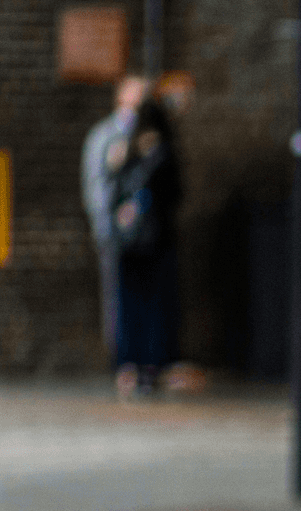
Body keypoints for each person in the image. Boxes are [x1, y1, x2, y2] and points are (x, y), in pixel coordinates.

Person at [107, 99, 182, 398]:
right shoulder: (148, 154)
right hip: (145, 242)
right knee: (144, 305)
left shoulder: (140, 154)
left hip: (140, 241)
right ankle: (141, 366)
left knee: (141, 305)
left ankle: (140, 366)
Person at [81, 74, 148, 351]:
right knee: (116, 296)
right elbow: (96, 184)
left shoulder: (146, 135)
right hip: (114, 232)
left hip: (143, 234)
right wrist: (107, 224)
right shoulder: (104, 136)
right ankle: (121, 357)